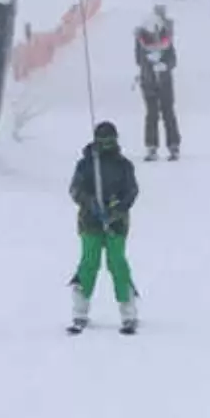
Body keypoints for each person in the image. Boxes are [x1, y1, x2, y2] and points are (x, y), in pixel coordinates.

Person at [68, 121, 139, 335]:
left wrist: (118, 208)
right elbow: (75, 190)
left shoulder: (124, 165)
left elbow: (132, 191)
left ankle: (128, 312)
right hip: (90, 221)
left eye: (111, 140)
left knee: (117, 263)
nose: (107, 144)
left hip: (116, 222)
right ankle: (79, 312)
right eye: (103, 140)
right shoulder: (86, 165)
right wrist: (90, 203)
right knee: (89, 262)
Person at [134, 10, 180, 162]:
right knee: (152, 114)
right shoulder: (140, 42)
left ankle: (173, 145)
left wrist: (164, 65)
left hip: (165, 82)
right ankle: (151, 146)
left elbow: (173, 59)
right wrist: (149, 65)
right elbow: (139, 61)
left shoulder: (167, 41)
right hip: (148, 83)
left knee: (168, 113)